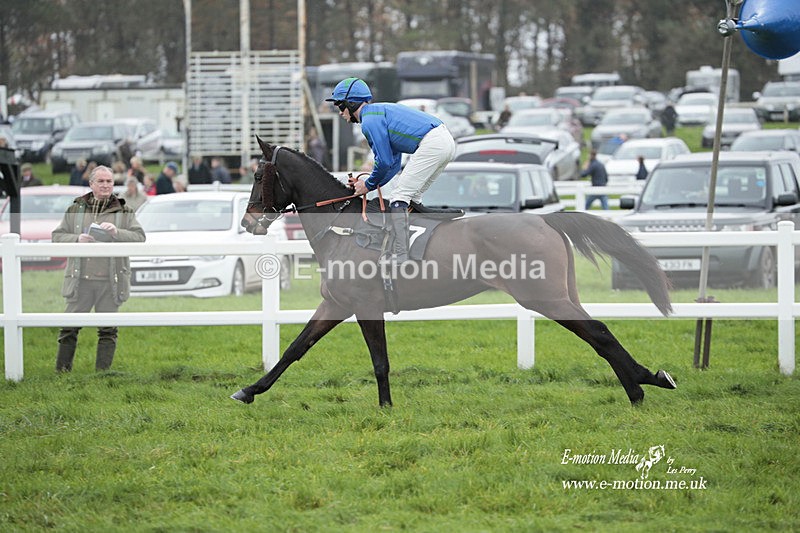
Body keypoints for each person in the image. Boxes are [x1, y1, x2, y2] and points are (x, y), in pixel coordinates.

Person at [326, 77, 456, 263]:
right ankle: (420, 248)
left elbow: (385, 162)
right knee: (411, 199)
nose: (340, 112)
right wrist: (370, 184)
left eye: (340, 106)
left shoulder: (369, 121)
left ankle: (401, 255)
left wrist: (368, 185)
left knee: (399, 198)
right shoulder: (377, 114)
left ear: (351, 103)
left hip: (433, 144)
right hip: (444, 142)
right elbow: (393, 165)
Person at [51, 165, 146, 372]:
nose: (105, 185)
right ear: (91, 184)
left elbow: (140, 237)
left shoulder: (125, 210)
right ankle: (61, 373)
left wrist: (116, 232)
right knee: (68, 328)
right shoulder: (75, 209)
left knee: (108, 330)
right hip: (80, 281)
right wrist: (77, 239)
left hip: (110, 282)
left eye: (109, 181)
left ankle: (102, 375)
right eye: (101, 181)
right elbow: (57, 236)